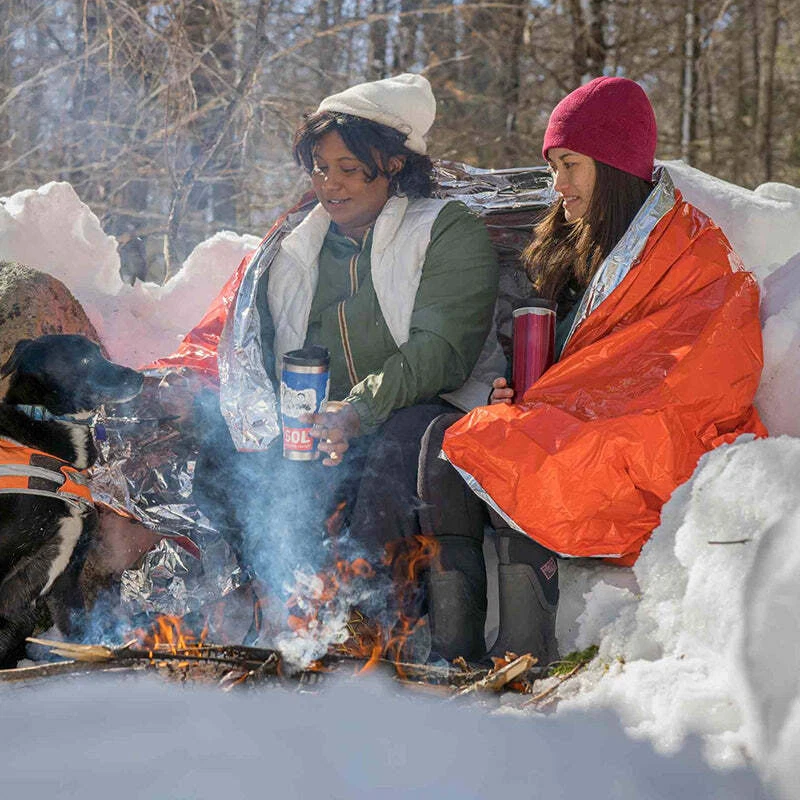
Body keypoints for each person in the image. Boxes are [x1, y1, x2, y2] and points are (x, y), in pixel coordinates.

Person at [418, 76, 767, 665]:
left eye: (570, 165)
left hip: (660, 437)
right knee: (444, 444)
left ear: (615, 162)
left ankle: (524, 646)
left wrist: (563, 403)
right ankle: (453, 651)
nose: (559, 185)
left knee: (517, 449)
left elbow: (701, 366)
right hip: (586, 418)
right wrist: (531, 390)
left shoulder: (692, 251)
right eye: (554, 166)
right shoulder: (576, 244)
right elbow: (588, 359)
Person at [182, 73, 503, 594]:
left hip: (422, 414)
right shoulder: (294, 250)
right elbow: (254, 353)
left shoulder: (444, 228)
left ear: (393, 165)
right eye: (320, 169)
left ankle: (373, 617)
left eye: (348, 170)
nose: (328, 185)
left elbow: (441, 351)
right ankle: (281, 606)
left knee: (399, 444)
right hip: (329, 427)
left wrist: (357, 411)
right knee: (224, 456)